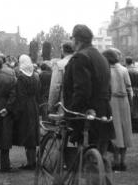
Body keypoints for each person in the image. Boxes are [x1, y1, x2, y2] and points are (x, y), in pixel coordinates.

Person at [63, 24, 114, 155]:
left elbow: (82, 90)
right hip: (103, 109)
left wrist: (71, 112)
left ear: (77, 40)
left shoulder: (80, 57)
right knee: (100, 153)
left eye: (72, 38)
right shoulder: (102, 57)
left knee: (84, 154)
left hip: (87, 111)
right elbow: (108, 87)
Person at [102, 49, 133, 171]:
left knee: (114, 130)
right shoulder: (124, 69)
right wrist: (129, 102)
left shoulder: (106, 71)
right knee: (125, 130)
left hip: (112, 101)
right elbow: (129, 88)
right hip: (124, 101)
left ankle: (115, 160)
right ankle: (123, 161)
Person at [11, 54, 40, 170]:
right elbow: (38, 93)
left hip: (25, 108)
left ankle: (31, 163)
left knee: (27, 135)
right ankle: (32, 161)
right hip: (34, 106)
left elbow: (21, 96)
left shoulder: (21, 77)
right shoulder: (36, 76)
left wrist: (17, 112)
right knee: (32, 135)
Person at [47, 42, 75, 112]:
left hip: (64, 105)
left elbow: (55, 88)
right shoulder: (80, 62)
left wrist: (51, 107)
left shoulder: (59, 64)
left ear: (62, 50)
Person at [125, 57, 138, 132]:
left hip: (129, 92)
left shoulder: (125, 71)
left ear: (126, 62)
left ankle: (134, 128)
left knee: (131, 110)